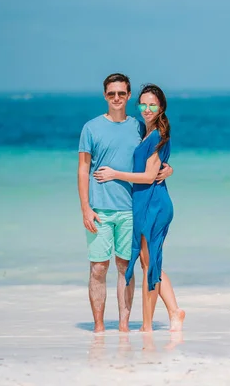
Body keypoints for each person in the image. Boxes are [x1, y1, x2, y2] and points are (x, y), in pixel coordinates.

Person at [77, 73, 173, 333]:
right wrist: (85, 207)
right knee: (98, 268)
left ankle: (123, 328)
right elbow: (83, 169)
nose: (117, 98)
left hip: (131, 209)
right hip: (99, 210)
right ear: (105, 96)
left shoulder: (139, 126)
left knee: (125, 267)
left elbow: (155, 153)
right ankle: (98, 328)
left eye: (121, 93)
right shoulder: (91, 128)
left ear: (129, 96)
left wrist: (169, 169)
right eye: (111, 94)